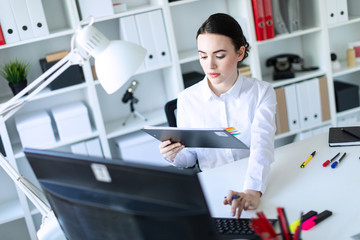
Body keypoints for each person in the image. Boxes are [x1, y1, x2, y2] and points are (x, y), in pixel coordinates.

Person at [159, 13, 276, 218]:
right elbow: (190, 158)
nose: (209, 65)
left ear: (240, 53)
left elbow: (262, 145)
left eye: (219, 56)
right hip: (212, 190)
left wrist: (251, 191)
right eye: (203, 56)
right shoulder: (187, 99)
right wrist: (173, 154)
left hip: (254, 182)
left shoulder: (261, 93)